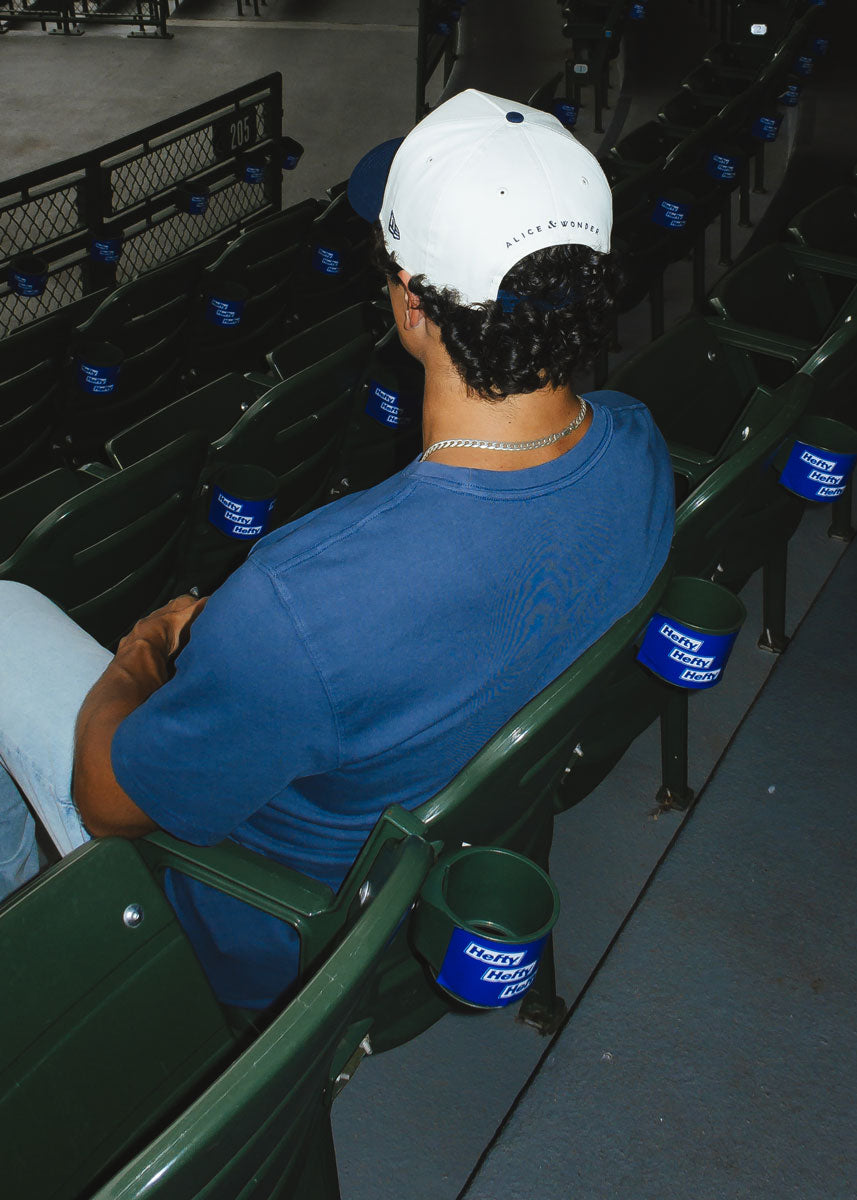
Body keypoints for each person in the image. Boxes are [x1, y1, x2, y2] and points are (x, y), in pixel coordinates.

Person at [0, 89, 674, 1010]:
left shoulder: (301, 598)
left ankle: (34, 942)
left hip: (262, 920)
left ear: (411, 305)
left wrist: (143, 652)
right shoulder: (638, 450)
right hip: (434, 861)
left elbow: (111, 801)